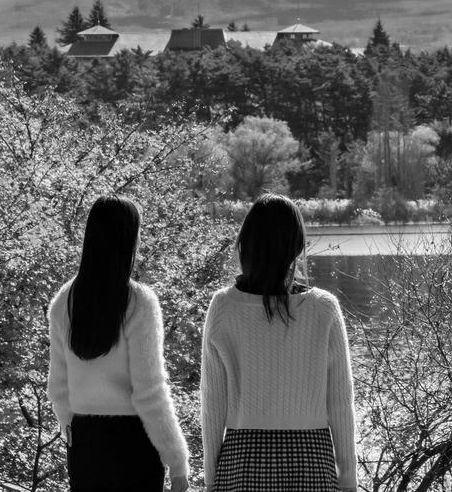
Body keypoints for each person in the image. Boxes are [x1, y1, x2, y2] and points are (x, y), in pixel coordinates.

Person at [201, 194, 356, 492]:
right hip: (312, 460)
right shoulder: (324, 308)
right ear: (296, 245)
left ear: (246, 243)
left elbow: (213, 404)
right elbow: (340, 404)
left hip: (242, 461)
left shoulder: (224, 306)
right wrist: (348, 480)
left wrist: (210, 479)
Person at [47, 195, 190, 491]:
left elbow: (58, 389)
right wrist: (177, 461)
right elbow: (149, 390)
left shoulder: (64, 301)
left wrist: (74, 437)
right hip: (134, 444)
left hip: (85, 445)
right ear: (128, 239)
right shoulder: (139, 302)